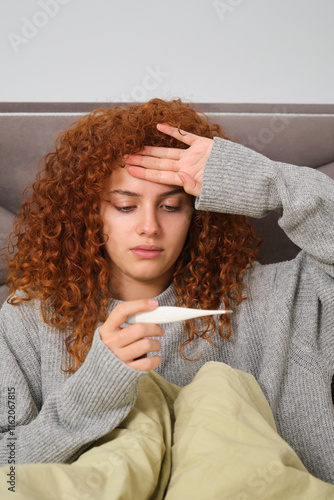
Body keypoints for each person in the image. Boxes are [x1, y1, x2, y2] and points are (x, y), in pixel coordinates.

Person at [0, 98, 333, 484]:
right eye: (125, 206)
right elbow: (7, 466)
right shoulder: (26, 318)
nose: (149, 227)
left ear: (198, 213)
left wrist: (261, 180)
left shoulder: (276, 298)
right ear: (88, 214)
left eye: (171, 206)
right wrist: (94, 392)